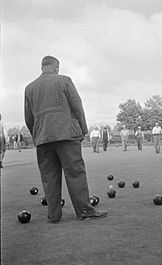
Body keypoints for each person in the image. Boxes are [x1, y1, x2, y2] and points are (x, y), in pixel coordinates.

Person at [24, 56, 107, 223]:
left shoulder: (29, 88)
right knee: (75, 173)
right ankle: (84, 210)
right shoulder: (64, 81)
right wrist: (83, 129)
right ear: (56, 67)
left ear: (42, 68)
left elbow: (28, 118)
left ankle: (54, 215)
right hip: (66, 135)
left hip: (43, 138)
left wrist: (37, 134)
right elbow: (77, 105)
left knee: (49, 176)